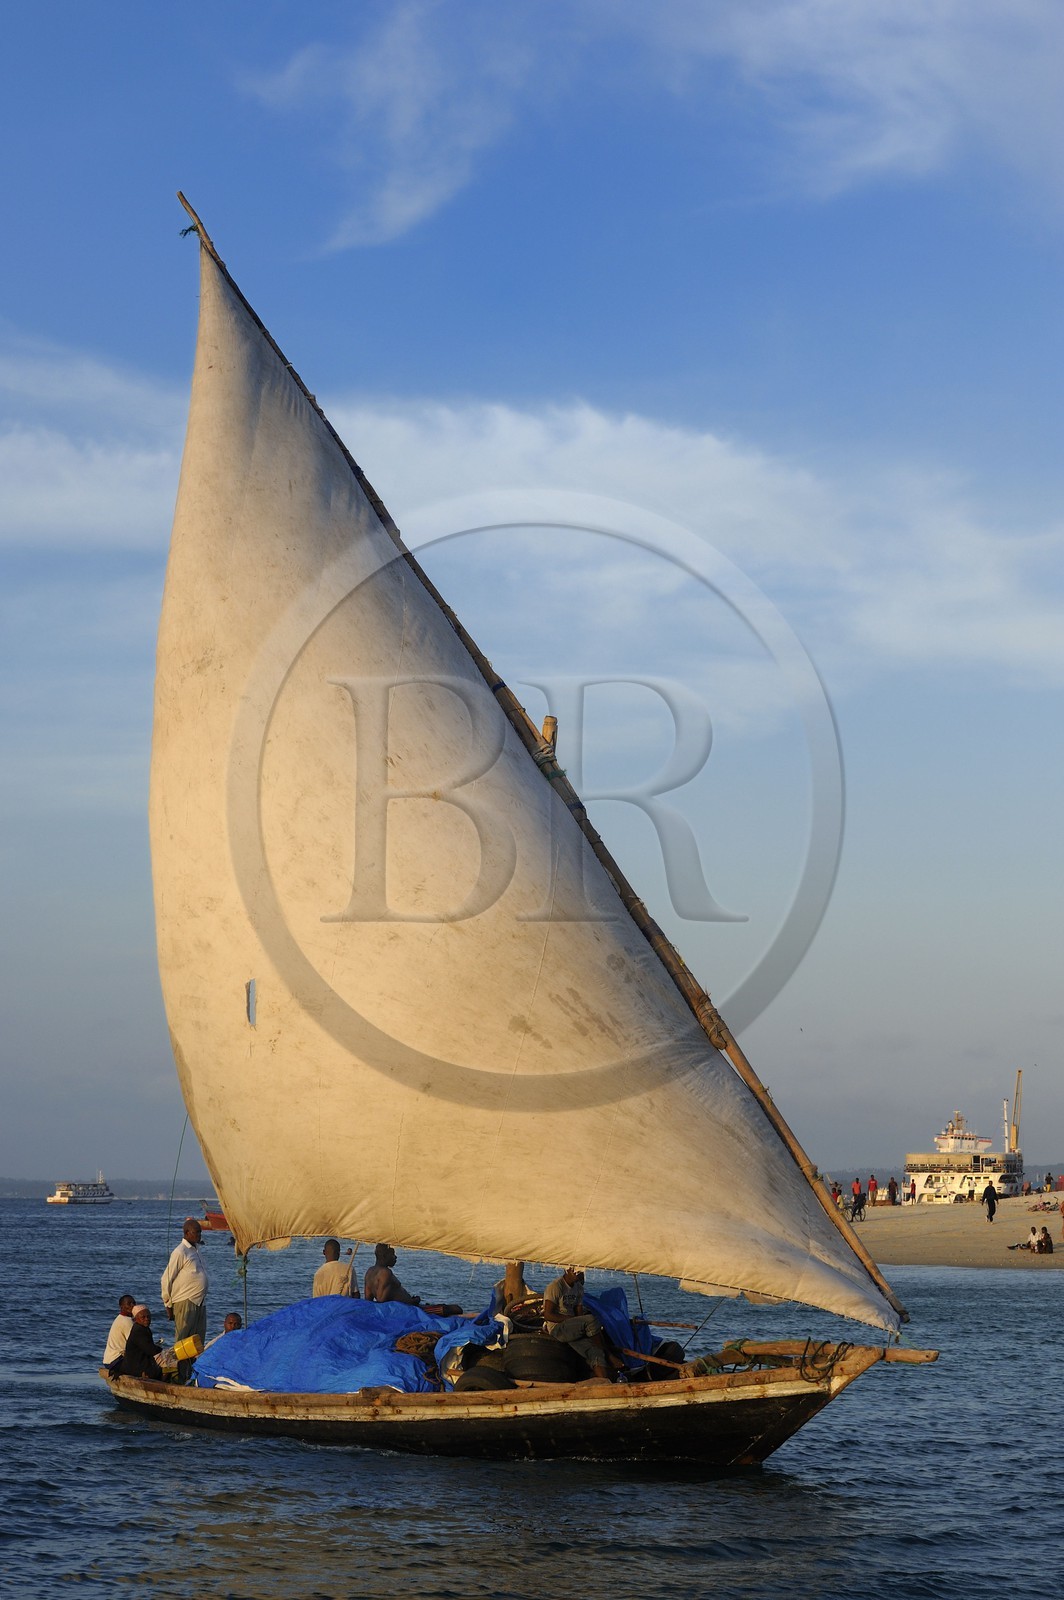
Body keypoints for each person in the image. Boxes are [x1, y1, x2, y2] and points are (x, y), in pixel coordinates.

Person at [541, 1267, 622, 1382]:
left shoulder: (578, 1288)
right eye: (577, 1272)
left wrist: (580, 1326)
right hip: (558, 1328)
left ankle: (605, 1383)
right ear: (567, 1271)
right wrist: (571, 1320)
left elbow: (579, 1314)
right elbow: (548, 1315)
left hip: (573, 1327)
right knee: (591, 1320)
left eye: (581, 1273)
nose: (579, 1275)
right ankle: (609, 1355)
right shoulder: (555, 1287)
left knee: (595, 1352)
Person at [161, 1217, 209, 1378]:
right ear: (187, 1233)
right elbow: (166, 1278)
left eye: (200, 1232)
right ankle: (175, 1375)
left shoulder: (195, 1250)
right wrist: (167, 1303)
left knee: (196, 1342)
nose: (199, 1235)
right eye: (196, 1232)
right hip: (185, 1301)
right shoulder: (180, 1251)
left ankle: (191, 1374)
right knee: (182, 1341)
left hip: (199, 1302)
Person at [119, 1305, 164, 1380]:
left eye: (148, 1317)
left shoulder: (144, 1329)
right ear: (136, 1319)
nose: (147, 1319)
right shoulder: (138, 1331)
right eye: (143, 1317)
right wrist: (163, 1351)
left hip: (141, 1362)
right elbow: (150, 1350)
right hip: (135, 1367)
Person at [102, 1294, 136, 1372]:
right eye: (129, 1303)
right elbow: (135, 1343)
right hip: (116, 1361)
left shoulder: (120, 1318)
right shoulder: (127, 1321)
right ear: (121, 1307)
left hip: (108, 1360)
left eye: (134, 1303)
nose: (132, 1305)